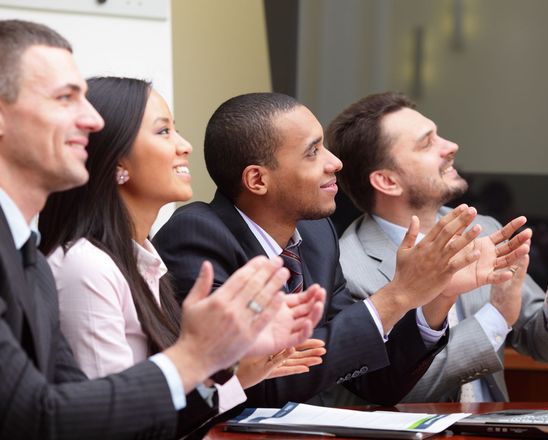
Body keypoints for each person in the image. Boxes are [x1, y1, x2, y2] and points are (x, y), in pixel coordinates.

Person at [0, 19, 323, 439]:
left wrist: (225, 364)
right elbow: (54, 420)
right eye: (65, 98)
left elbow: (85, 411)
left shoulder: (37, 262)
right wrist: (201, 354)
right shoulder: (79, 265)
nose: (91, 121)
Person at [153, 92, 529, 407]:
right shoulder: (197, 234)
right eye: (313, 152)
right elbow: (262, 383)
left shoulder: (317, 236)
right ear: (257, 179)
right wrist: (398, 295)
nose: (335, 163)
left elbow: (375, 383)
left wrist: (438, 297)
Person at [325, 91, 548, 403]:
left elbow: (547, 349)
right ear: (388, 181)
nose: (451, 146)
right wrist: (496, 317)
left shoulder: (482, 230)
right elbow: (400, 391)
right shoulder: (348, 269)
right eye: (427, 142)